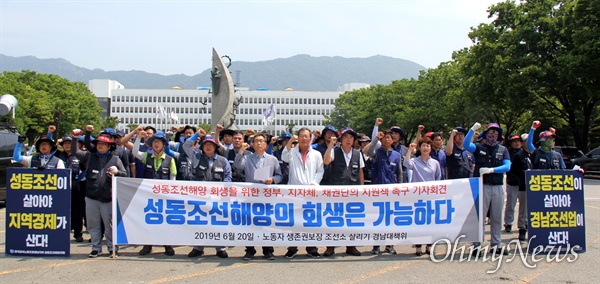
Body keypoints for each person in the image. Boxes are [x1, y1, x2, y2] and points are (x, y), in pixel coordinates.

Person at [71, 126, 128, 258]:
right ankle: (96, 248)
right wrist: (75, 138)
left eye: (104, 144)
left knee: (109, 226)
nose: (100, 146)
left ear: (109, 147)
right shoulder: (89, 157)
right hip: (91, 197)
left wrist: (117, 172)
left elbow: (124, 174)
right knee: (93, 224)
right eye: (99, 144)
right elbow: (75, 151)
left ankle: (112, 248)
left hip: (108, 198)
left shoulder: (115, 159)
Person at [463, 122, 511, 256]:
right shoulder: (479, 147)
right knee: (480, 217)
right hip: (482, 186)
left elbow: (507, 166)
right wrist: (472, 130)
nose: (493, 135)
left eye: (496, 133)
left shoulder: (503, 150)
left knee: (496, 217)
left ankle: (496, 244)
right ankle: (476, 245)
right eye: (491, 132)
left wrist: (492, 170)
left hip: (497, 186)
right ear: (486, 134)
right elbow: (466, 145)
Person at [234, 133, 283, 260]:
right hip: (251, 195)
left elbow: (279, 175)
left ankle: (268, 250)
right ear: (252, 144)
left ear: (266, 144)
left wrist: (272, 179)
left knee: (266, 223)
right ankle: (250, 250)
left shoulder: (272, 159)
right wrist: (241, 151)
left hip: (267, 196)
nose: (259, 143)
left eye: (261, 141)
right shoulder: (248, 158)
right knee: (250, 223)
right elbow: (238, 166)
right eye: (256, 141)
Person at [183, 134, 230, 259]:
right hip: (200, 198)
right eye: (206, 145)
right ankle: (198, 248)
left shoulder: (222, 160)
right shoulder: (196, 157)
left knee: (217, 223)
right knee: (200, 222)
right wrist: (197, 134)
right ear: (202, 147)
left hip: (217, 199)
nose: (208, 147)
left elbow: (228, 177)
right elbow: (186, 145)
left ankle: (220, 248)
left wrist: (220, 191)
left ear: (215, 147)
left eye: (211, 145)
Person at [132, 130, 178, 256]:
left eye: (159, 142)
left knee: (164, 221)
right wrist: (138, 138)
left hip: (164, 197)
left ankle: (167, 244)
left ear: (164, 144)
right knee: (149, 220)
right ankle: (148, 245)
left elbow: (172, 178)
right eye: (154, 142)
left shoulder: (170, 159)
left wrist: (170, 195)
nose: (156, 144)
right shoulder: (147, 156)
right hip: (149, 197)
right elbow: (135, 152)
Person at [282, 127, 324, 258]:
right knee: (294, 221)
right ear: (298, 138)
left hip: (311, 192)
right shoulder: (292, 152)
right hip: (294, 192)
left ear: (311, 138)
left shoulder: (316, 154)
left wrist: (314, 183)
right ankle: (292, 248)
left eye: (307, 136)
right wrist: (290, 142)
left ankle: (311, 248)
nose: (304, 139)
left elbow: (320, 171)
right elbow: (284, 157)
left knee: (310, 221)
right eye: (302, 136)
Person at [322, 127, 364, 257]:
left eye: (351, 137)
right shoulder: (335, 151)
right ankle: (330, 247)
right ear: (341, 139)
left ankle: (351, 246)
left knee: (351, 220)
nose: (349, 140)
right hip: (336, 191)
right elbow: (326, 161)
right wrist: (330, 145)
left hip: (352, 191)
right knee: (334, 220)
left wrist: (362, 189)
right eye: (346, 137)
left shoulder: (357, 153)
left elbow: (360, 172)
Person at [366, 125, 401, 255]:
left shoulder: (396, 155)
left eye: (389, 138)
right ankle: (376, 246)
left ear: (393, 140)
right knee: (378, 219)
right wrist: (376, 138)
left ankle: (390, 245)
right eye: (385, 138)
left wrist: (401, 188)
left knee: (391, 219)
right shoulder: (377, 153)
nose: (386, 140)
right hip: (378, 191)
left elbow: (399, 173)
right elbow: (369, 151)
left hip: (392, 191)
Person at [404, 137, 441, 255]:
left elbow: (438, 178)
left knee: (430, 222)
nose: (425, 148)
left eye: (428, 146)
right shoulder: (415, 161)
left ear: (431, 148)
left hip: (431, 197)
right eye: (423, 146)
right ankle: (418, 247)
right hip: (418, 197)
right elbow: (406, 163)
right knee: (419, 222)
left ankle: (429, 246)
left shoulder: (435, 163)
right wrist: (410, 150)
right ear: (420, 148)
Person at [54, 136, 86, 242]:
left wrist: (79, 179)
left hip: (76, 187)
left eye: (70, 143)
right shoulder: (58, 155)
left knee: (77, 211)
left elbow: (85, 170)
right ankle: (61, 233)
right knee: (61, 211)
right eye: (65, 143)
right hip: (60, 188)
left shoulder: (79, 156)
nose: (67, 145)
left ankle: (78, 233)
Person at [505, 134, 532, 241]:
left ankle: (524, 224)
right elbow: (510, 169)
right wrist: (513, 178)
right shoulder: (513, 154)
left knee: (524, 207)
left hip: (524, 184)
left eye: (518, 141)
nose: (516, 143)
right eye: (514, 141)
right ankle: (508, 223)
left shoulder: (530, 154)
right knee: (510, 204)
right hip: (513, 182)